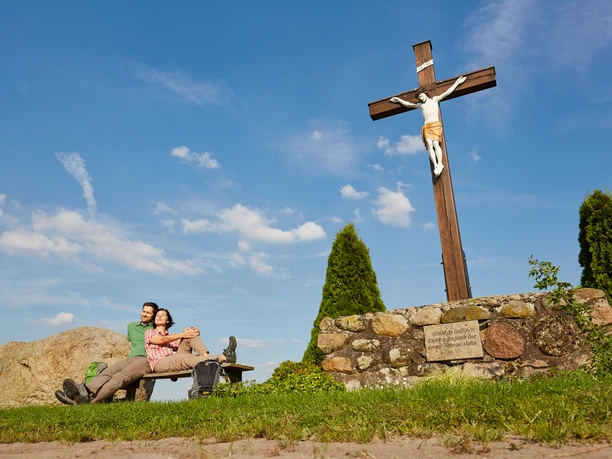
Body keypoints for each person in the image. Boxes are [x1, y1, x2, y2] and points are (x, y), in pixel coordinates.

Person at [55, 301, 161, 405]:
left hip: (145, 360)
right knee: (108, 372)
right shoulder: (132, 326)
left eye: (148, 313)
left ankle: (89, 401)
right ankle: (83, 392)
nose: (144, 314)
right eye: (144, 311)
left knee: (119, 378)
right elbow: (130, 343)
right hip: (131, 358)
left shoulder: (156, 329)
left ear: (153, 315)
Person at [390, 75, 467, 177]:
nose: (421, 98)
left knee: (436, 144)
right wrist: (398, 100)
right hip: (427, 126)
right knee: (430, 146)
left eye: (422, 96)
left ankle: (440, 164)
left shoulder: (435, 99)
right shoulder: (421, 105)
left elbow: (447, 92)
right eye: (419, 97)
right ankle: (435, 165)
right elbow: (408, 104)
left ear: (425, 94)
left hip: (435, 125)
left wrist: (457, 83)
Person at [145, 308, 237, 373]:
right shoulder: (149, 332)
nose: (159, 317)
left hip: (175, 358)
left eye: (163, 315)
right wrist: (182, 334)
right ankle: (222, 357)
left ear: (168, 320)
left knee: (189, 334)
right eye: (157, 315)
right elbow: (162, 339)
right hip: (160, 363)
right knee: (181, 357)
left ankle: (206, 358)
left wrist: (195, 331)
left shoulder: (173, 336)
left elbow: (183, 338)